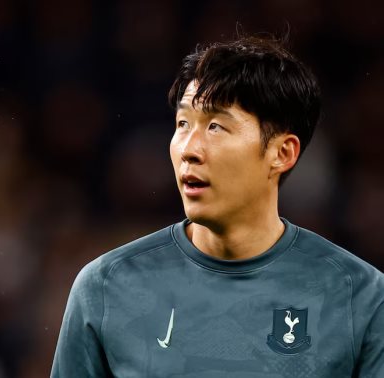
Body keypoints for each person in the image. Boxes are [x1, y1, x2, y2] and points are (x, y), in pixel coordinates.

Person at [51, 36, 384, 377]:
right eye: (182, 124)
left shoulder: (360, 297)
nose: (189, 149)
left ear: (282, 153)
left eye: (216, 126)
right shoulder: (107, 287)